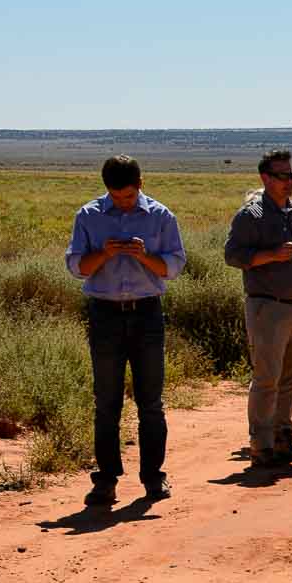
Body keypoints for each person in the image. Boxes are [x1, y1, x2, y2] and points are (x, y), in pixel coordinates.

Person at [66, 155, 185, 505]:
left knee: (151, 403)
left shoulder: (162, 217)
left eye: (129, 197)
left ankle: (153, 478)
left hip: (147, 314)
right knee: (106, 402)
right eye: (116, 198)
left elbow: (174, 267)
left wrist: (144, 256)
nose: (123, 203)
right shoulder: (88, 216)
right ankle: (105, 480)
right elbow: (76, 267)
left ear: (140, 185)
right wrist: (103, 254)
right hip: (104, 315)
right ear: (107, 189)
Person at [224, 149, 292, 465]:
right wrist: (268, 255)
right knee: (267, 378)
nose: (289, 181)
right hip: (268, 308)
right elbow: (232, 256)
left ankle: (284, 437)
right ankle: (261, 444)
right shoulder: (251, 216)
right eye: (282, 176)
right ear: (265, 178)